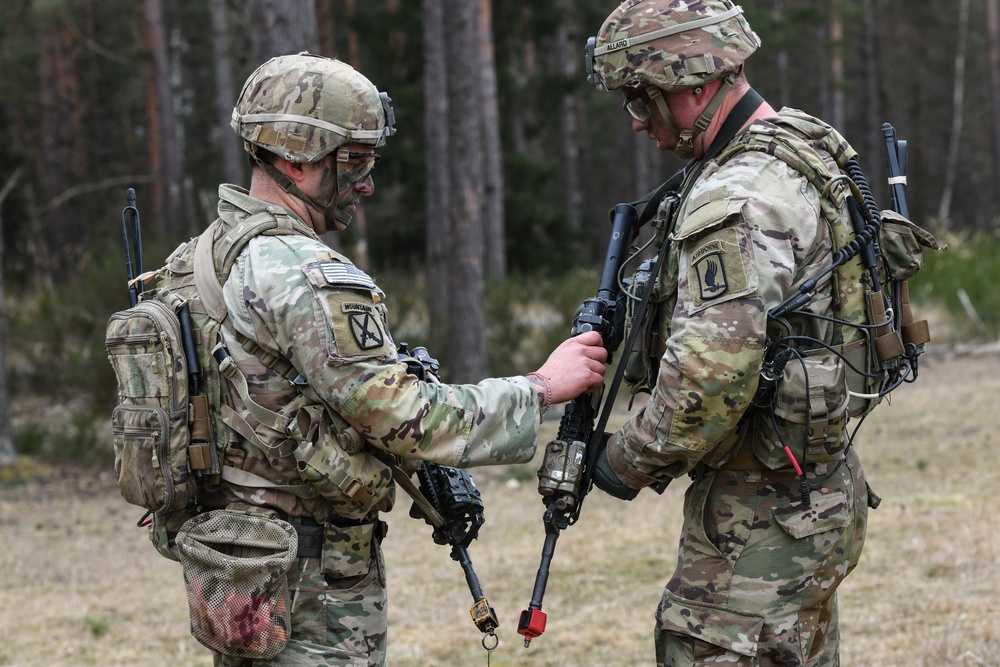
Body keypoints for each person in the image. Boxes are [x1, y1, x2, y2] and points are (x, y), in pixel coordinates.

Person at [158, 53, 607, 666]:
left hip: (236, 565)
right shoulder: (305, 274)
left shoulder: (196, 259)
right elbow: (406, 417)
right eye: (355, 163)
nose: (367, 184)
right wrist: (541, 388)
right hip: (312, 582)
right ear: (296, 157)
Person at [584, 2, 880, 665]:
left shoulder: (739, 197)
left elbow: (706, 382)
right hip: (818, 492)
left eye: (642, 99)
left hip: (761, 513)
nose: (637, 122)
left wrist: (620, 461)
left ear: (693, 85)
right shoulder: (799, 147)